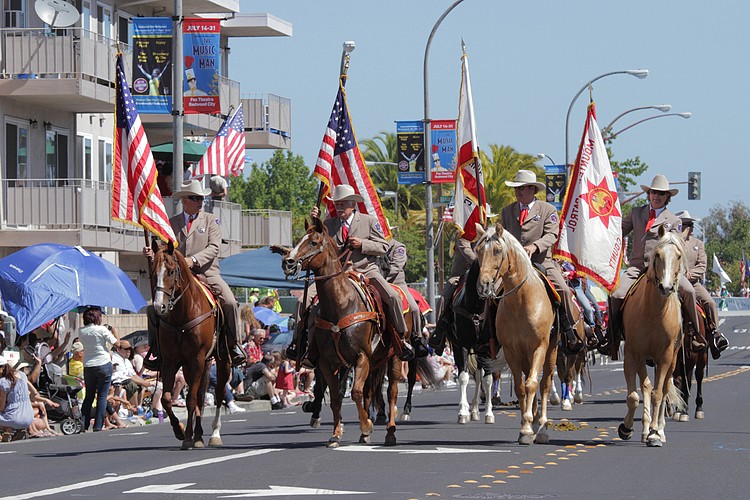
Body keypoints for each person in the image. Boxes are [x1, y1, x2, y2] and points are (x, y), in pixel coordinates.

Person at [600, 175, 707, 359]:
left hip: (663, 271)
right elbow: (618, 232)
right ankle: (612, 337)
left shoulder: (673, 221)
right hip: (636, 268)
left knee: (688, 291)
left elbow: (676, 245)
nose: (656, 196)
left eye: (661, 193)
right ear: (648, 194)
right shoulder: (636, 213)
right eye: (653, 192)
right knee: (616, 294)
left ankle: (694, 334)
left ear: (667, 197)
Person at [306, 184, 414, 365]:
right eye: (337, 204)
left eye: (342, 204)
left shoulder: (368, 221)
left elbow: (383, 246)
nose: (339, 207)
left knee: (393, 296)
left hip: (366, 270)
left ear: (353, 205)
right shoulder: (328, 224)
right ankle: (307, 347)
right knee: (305, 301)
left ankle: (400, 340)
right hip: (337, 274)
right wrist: (314, 222)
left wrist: (363, 244)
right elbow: (314, 243)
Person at [143, 179, 245, 368]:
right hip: (178, 277)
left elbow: (214, 247)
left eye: (201, 198)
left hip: (207, 273)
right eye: (195, 198)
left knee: (230, 302)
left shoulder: (211, 220)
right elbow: (165, 249)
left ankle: (233, 345)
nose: (200, 202)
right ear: (184, 200)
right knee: (152, 307)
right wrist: (153, 254)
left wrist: (193, 260)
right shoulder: (171, 224)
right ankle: (156, 349)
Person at [500, 169, 583, 352]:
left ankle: (569, 330)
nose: (518, 192)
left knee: (562, 289)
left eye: (522, 188)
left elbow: (552, 235)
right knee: (490, 293)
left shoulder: (548, 210)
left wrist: (534, 247)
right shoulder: (507, 211)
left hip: (541, 262)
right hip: (513, 267)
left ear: (532, 190)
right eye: (517, 188)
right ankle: (490, 336)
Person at [675, 210, 729, 358]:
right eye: (687, 225)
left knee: (710, 303)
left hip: (694, 283)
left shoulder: (698, 244)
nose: (690, 228)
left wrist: (692, 274)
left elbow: (702, 265)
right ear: (680, 226)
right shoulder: (673, 241)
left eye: (691, 225)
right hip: (675, 283)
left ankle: (715, 335)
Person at [430, 234, 477, 355]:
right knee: (444, 298)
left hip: (484, 276)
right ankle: (440, 332)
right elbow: (468, 253)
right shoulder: (463, 237)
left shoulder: (488, 236)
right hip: (460, 277)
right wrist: (483, 262)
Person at [78, 306, 120, 432]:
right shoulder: (102, 329)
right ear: (97, 317)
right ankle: (98, 425)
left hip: (88, 365)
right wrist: (114, 331)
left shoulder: (81, 331)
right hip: (103, 363)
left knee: (89, 395)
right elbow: (117, 343)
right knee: (102, 396)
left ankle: (83, 424)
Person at [382, 236, 426, 355]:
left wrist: (380, 279)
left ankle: (417, 338)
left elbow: (396, 267)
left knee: (414, 308)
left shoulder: (398, 247)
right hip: (377, 283)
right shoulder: (375, 245)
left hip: (397, 283)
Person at [0, 354, 34, 441]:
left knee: (5, 414)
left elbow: (1, 407)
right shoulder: (22, 375)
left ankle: (7, 430)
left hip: (14, 417)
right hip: (29, 417)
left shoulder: (3, 381)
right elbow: (35, 393)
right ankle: (17, 430)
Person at [111, 339, 153, 406]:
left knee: (142, 385)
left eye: (130, 349)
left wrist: (144, 382)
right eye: (126, 349)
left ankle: (140, 408)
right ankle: (134, 410)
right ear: (118, 350)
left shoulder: (126, 360)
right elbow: (124, 376)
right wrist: (142, 382)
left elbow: (133, 374)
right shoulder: (115, 359)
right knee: (132, 385)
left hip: (126, 380)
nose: (129, 351)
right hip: (117, 382)